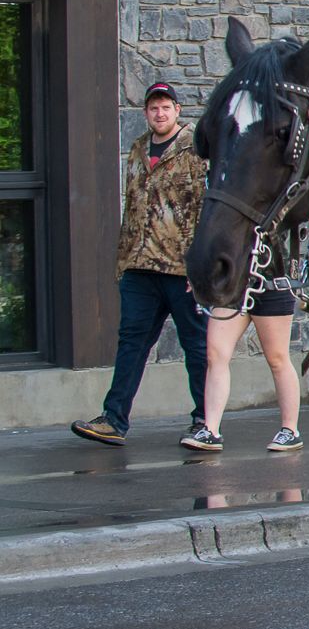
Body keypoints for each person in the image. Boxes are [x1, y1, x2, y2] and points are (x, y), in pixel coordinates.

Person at [71, 82, 210, 446]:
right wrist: (123, 261)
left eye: (165, 107)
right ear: (146, 113)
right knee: (130, 343)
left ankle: (205, 421)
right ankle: (114, 419)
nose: (159, 113)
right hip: (139, 267)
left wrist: (200, 267)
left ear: (177, 110)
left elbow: (205, 208)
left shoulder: (195, 148)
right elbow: (133, 208)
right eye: (153, 108)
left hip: (181, 270)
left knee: (196, 346)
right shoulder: (136, 150)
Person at [182, 271, 303, 453]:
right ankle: (211, 429)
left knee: (277, 359)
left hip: (271, 283)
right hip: (233, 284)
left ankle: (290, 430)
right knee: (215, 355)